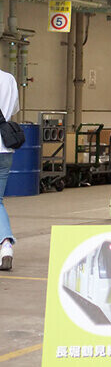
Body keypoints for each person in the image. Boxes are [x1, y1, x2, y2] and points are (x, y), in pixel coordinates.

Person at [0, 68, 20, 271]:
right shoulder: (9, 79)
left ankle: (5, 244)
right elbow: (14, 109)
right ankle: (5, 246)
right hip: (5, 148)